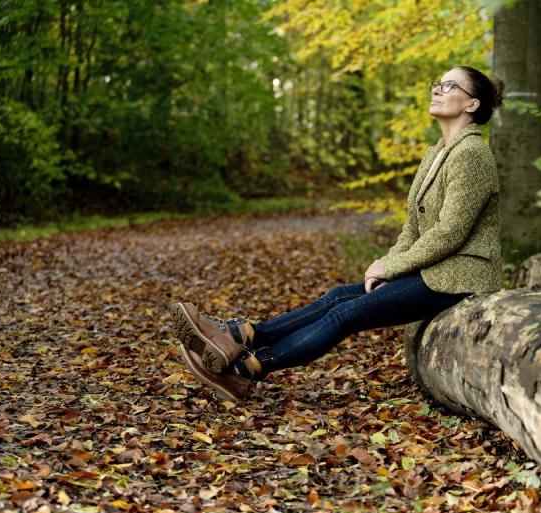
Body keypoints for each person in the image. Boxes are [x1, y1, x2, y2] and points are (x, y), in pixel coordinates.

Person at [170, 66, 506, 402]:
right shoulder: (438, 152)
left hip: (462, 277)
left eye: (449, 85)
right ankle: (240, 334)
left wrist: (392, 269)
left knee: (346, 314)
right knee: (336, 297)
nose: (437, 89)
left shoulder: (471, 154)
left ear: (471, 104)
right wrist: (388, 263)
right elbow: (414, 227)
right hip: (437, 272)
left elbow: (450, 233)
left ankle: (245, 370)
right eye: (438, 83)